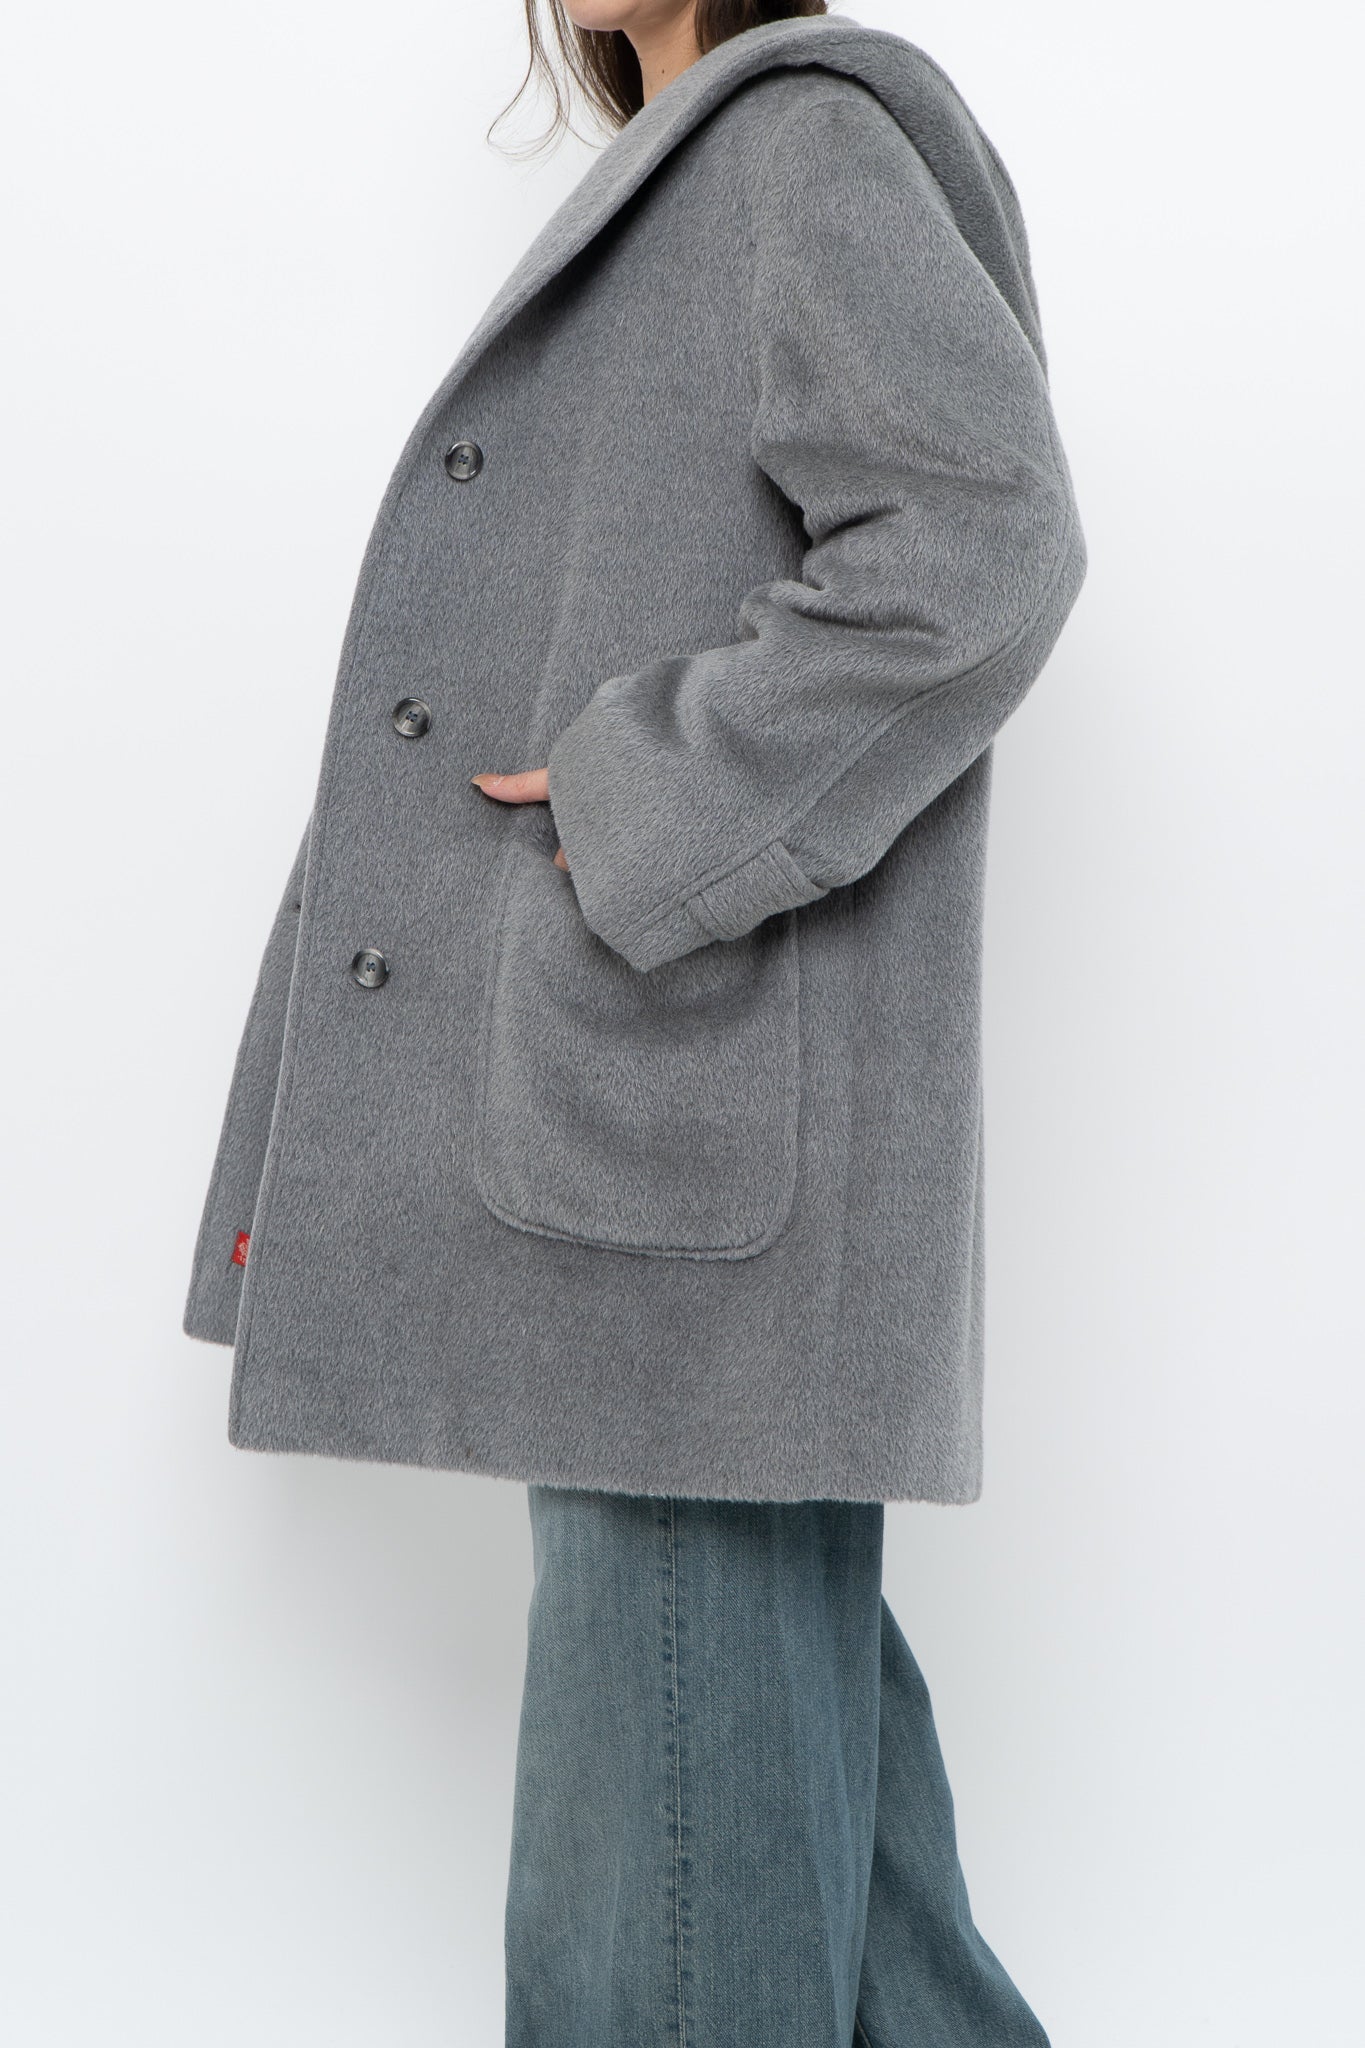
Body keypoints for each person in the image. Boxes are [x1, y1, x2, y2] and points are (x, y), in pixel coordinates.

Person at [182, 4, 1086, 2041]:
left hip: (673, 1142)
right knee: (832, 1879)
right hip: (652, 1128)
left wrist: (646, 796)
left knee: (663, 1918)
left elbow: (981, 542)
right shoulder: (704, 166)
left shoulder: (797, 146)